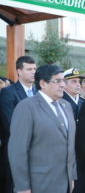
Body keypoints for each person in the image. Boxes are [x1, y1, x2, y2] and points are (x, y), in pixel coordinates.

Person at [8, 64, 77, 193]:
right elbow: (17, 151)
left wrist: (72, 176)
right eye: (57, 81)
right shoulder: (27, 107)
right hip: (39, 184)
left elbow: (70, 145)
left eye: (63, 80)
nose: (63, 85)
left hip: (65, 183)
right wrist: (22, 187)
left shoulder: (66, 106)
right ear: (43, 84)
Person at [0, 56, 36, 193]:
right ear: (19, 71)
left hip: (37, 157)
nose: (33, 72)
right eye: (29, 69)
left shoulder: (39, 92)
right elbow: (11, 125)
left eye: (34, 69)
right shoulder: (8, 93)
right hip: (16, 156)